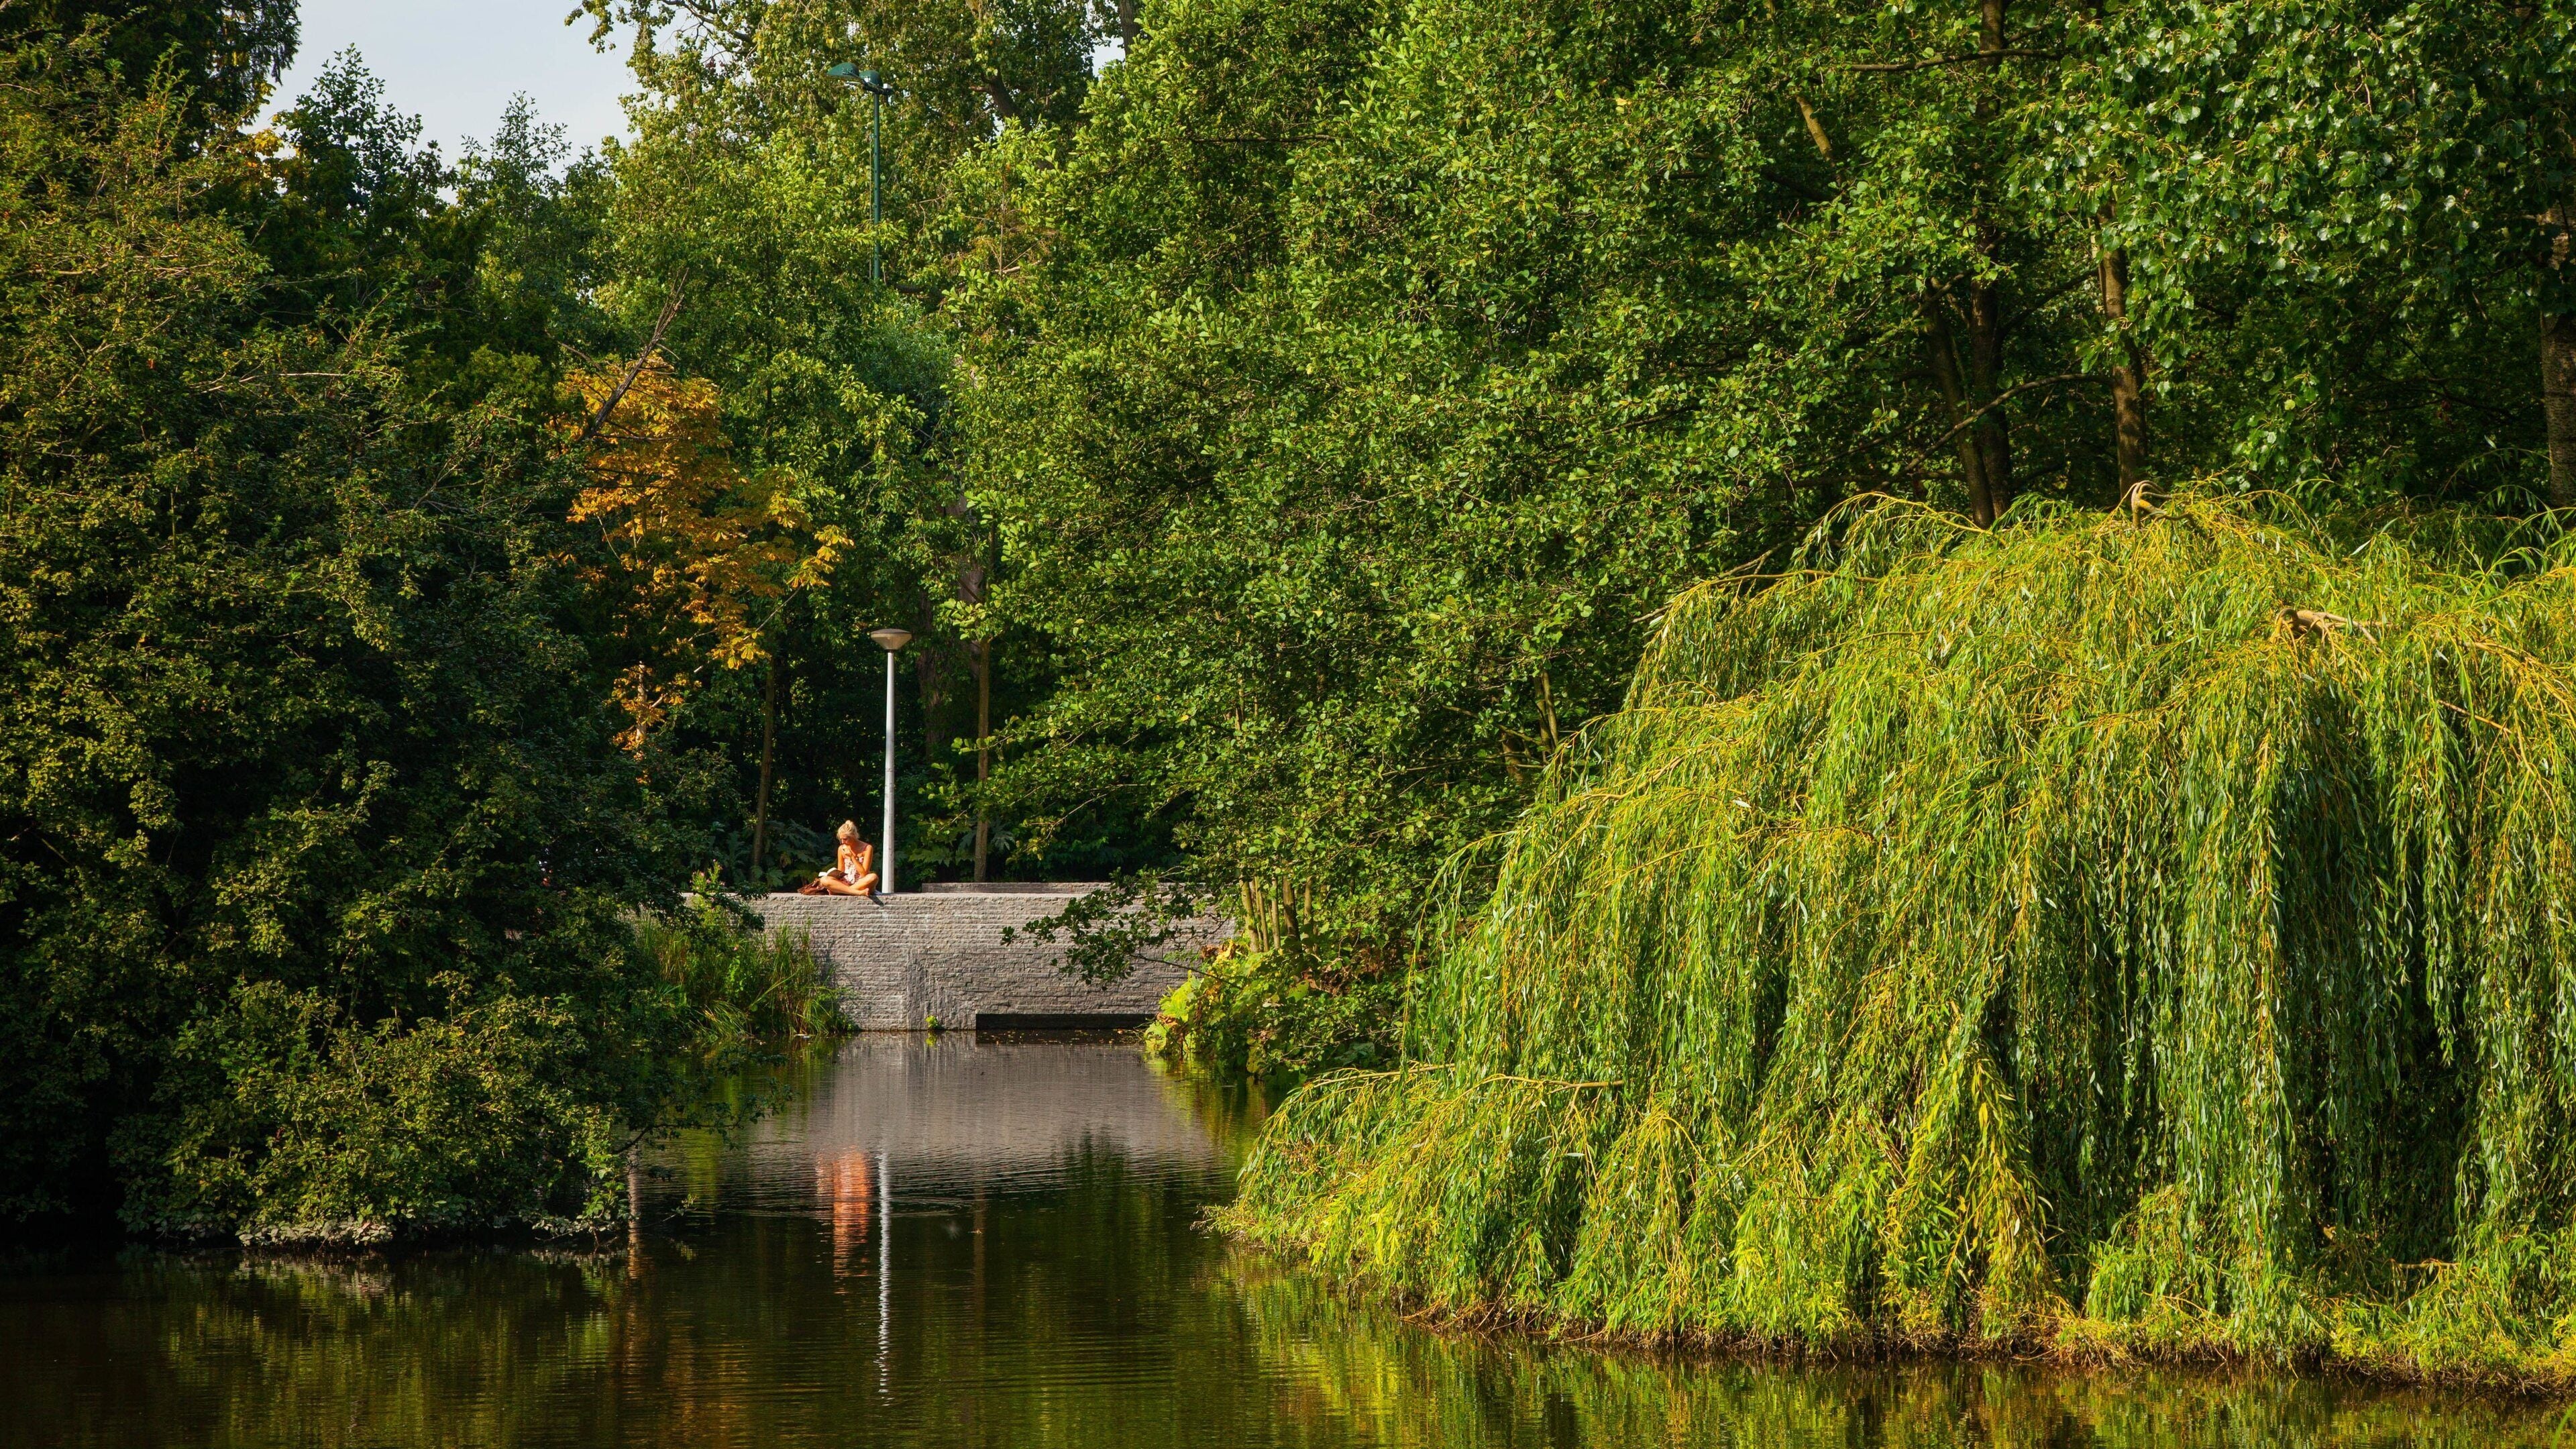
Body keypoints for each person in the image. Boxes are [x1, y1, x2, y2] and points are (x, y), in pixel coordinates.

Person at [801, 820, 879, 899]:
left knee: (873, 877)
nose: (842, 842)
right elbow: (840, 871)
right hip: (846, 882)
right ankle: (857, 892)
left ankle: (842, 891)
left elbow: (864, 873)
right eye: (841, 839)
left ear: (853, 836)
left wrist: (852, 857)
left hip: (861, 883)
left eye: (845, 839)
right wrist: (834, 875)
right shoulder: (841, 849)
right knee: (824, 880)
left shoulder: (867, 848)